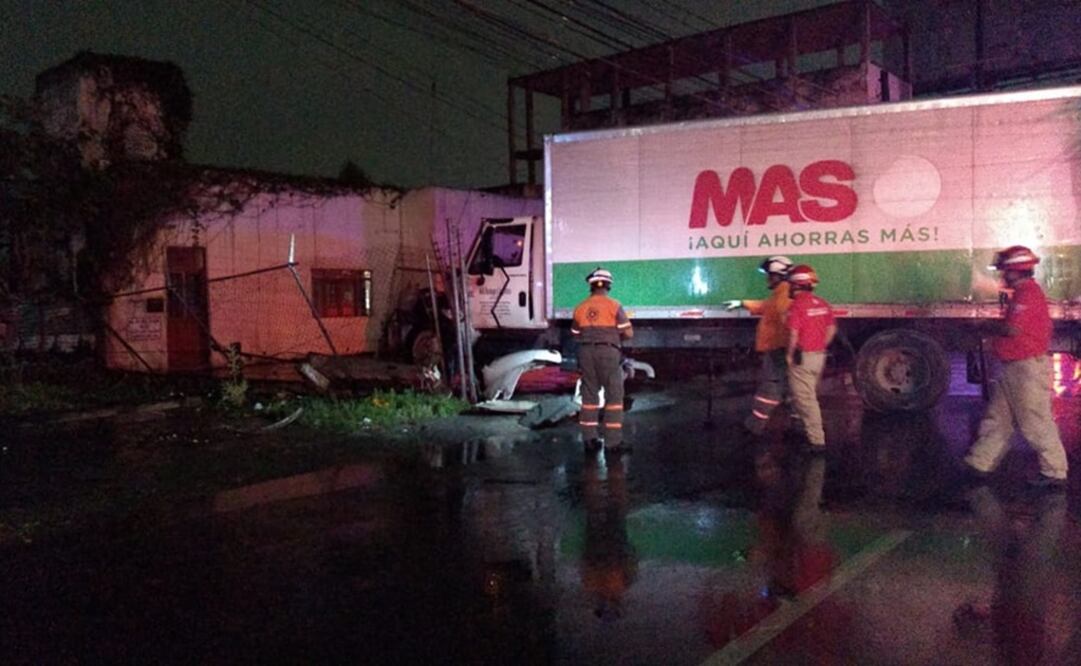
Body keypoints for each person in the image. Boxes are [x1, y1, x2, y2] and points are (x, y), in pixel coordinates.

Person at [963, 246, 1069, 488]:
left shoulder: (1028, 295)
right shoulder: (1023, 293)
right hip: (1015, 368)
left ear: (1015, 270)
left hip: (1026, 369)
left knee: (1035, 421)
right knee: (999, 419)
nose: (1002, 275)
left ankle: (1055, 472)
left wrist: (983, 325)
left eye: (1005, 271)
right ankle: (979, 463)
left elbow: (1013, 329)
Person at [724, 255, 794, 436]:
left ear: (779, 275)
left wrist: (784, 349)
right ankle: (796, 426)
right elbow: (765, 306)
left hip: (777, 350)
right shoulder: (781, 294)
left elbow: (787, 323)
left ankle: (755, 426)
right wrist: (742, 303)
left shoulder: (783, 297)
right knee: (786, 387)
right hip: (779, 349)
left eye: (770, 275)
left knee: (770, 388)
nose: (767, 279)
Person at [572, 267, 634, 453]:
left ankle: (589, 440)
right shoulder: (614, 306)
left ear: (591, 286)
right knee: (614, 397)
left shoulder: (580, 307)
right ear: (608, 286)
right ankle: (612, 443)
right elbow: (629, 333)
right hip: (608, 353)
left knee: (589, 396)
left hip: (585, 353)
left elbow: (575, 333)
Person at [784, 264, 836, 451]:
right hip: (818, 356)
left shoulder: (796, 306)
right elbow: (831, 329)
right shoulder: (822, 304)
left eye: (790, 284)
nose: (789, 288)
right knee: (806, 394)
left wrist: (790, 355)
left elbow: (793, 335)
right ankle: (800, 427)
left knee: (806, 399)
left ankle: (817, 441)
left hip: (802, 358)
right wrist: (820, 346)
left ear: (797, 285)